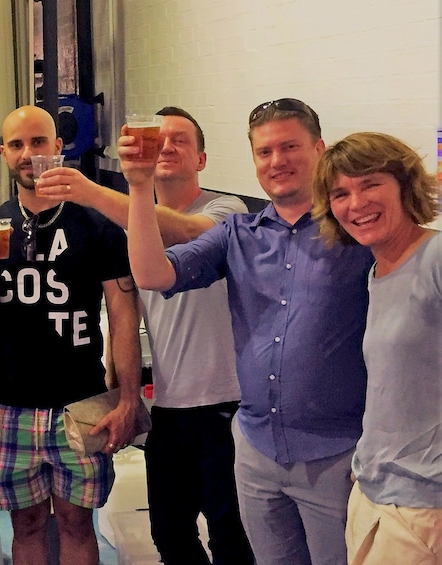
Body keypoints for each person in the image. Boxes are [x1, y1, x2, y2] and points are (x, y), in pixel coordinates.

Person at [125, 98, 375, 565]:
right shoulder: (239, 233)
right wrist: (139, 188)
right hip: (257, 450)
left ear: (319, 149)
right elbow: (153, 275)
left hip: (336, 456)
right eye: (265, 152)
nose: (277, 161)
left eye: (289, 147)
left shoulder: (355, 233)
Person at [40, 106, 254, 564]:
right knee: (170, 534)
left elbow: (186, 232)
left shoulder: (230, 212)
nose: (167, 146)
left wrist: (95, 192)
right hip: (170, 411)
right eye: (159, 138)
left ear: (201, 159)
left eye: (181, 139)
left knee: (233, 537)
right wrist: (124, 396)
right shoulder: (128, 226)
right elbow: (124, 316)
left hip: (228, 407)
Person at [0, 105, 142, 565]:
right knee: (25, 527)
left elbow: (124, 315)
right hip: (12, 404)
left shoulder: (97, 224)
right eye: (19, 145)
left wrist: (127, 399)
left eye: (39, 141)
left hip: (80, 403)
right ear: (5, 153)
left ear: (58, 147)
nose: (30, 154)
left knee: (76, 524)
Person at [311, 132, 442, 564]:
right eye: (341, 193)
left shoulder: (435, 258)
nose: (356, 203)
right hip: (372, 493)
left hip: (424, 507)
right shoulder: (378, 272)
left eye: (370, 184)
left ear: (405, 184)